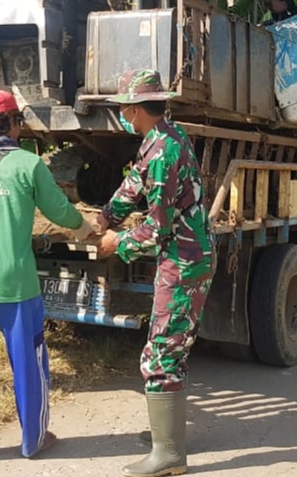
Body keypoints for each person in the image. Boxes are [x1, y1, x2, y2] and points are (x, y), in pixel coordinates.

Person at [0, 89, 93, 464]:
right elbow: (59, 210)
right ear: (13, 123)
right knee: (28, 364)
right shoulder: (28, 164)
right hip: (17, 286)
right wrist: (85, 228)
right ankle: (33, 440)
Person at [95, 70, 215, 477]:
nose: (124, 116)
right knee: (168, 346)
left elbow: (158, 226)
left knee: (163, 350)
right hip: (183, 256)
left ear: (133, 109)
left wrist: (118, 243)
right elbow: (134, 183)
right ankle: (168, 437)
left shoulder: (164, 151)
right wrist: (107, 215)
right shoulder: (163, 137)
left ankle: (169, 455)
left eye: (125, 109)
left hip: (184, 261)